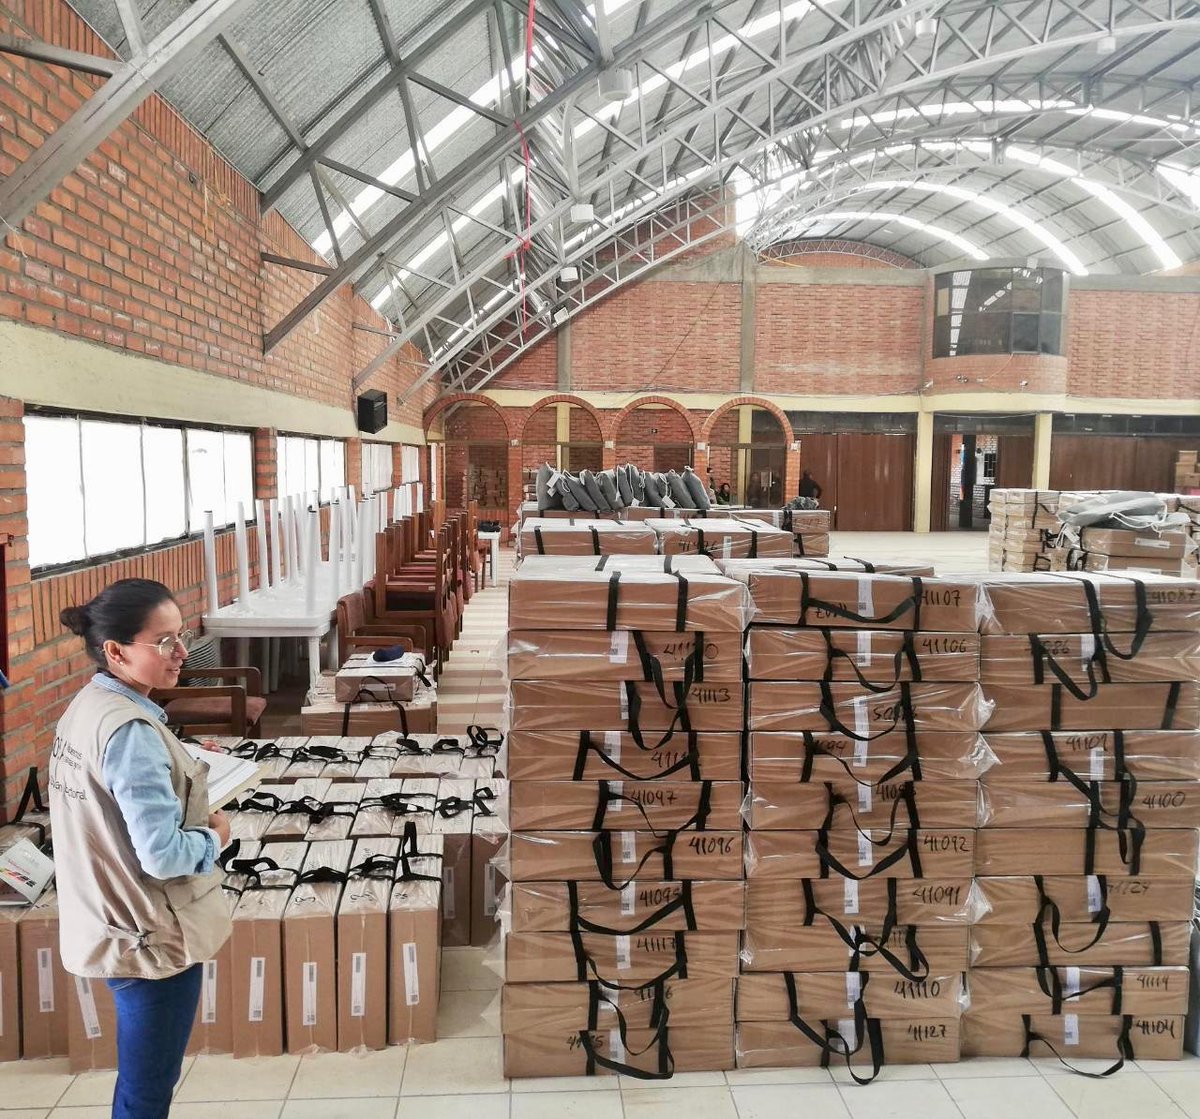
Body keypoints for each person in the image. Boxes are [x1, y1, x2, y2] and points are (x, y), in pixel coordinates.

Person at [51, 579, 232, 1119]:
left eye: (182, 636)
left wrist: (179, 759)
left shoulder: (90, 704)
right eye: (164, 642)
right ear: (116, 650)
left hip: (110, 917)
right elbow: (162, 854)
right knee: (147, 1089)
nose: (181, 653)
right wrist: (214, 837)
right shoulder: (130, 731)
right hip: (147, 933)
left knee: (142, 1083)